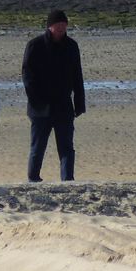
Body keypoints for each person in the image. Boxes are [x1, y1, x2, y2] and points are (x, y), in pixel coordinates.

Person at [22, 10, 85, 182]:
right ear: (50, 26)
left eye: (64, 25)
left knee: (66, 148)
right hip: (40, 108)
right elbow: (28, 77)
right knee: (38, 147)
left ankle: (68, 180)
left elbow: (77, 76)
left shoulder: (72, 46)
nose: (61, 28)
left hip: (64, 106)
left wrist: (79, 103)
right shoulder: (35, 45)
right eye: (58, 25)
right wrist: (36, 101)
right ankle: (33, 178)